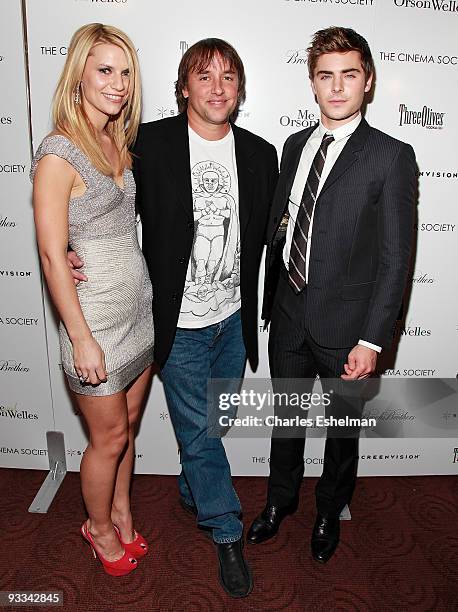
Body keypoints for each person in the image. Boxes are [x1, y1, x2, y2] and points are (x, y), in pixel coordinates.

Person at [71, 37, 278, 597]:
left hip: (234, 321)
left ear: (239, 90)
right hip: (176, 323)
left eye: (229, 77)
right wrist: (69, 245)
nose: (217, 88)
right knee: (199, 430)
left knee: (213, 423)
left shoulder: (262, 154)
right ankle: (225, 527)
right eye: (204, 76)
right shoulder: (151, 143)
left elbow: (270, 241)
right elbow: (102, 202)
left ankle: (193, 485)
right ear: (184, 86)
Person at [247, 27, 416, 563]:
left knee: (342, 435)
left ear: (368, 82)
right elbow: (285, 221)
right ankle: (280, 502)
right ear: (312, 83)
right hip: (289, 314)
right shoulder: (295, 146)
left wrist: (373, 339)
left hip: (349, 328)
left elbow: (396, 259)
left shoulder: (392, 156)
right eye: (326, 76)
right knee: (288, 420)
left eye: (349, 75)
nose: (337, 87)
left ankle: (327, 511)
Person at [31, 23, 154, 576]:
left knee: (126, 429)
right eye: (105, 69)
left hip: (139, 314)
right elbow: (54, 255)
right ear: (78, 73)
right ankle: (97, 526)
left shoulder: (117, 140)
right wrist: (80, 337)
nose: (118, 83)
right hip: (96, 325)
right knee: (106, 439)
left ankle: (121, 509)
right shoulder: (59, 151)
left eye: (125, 72)